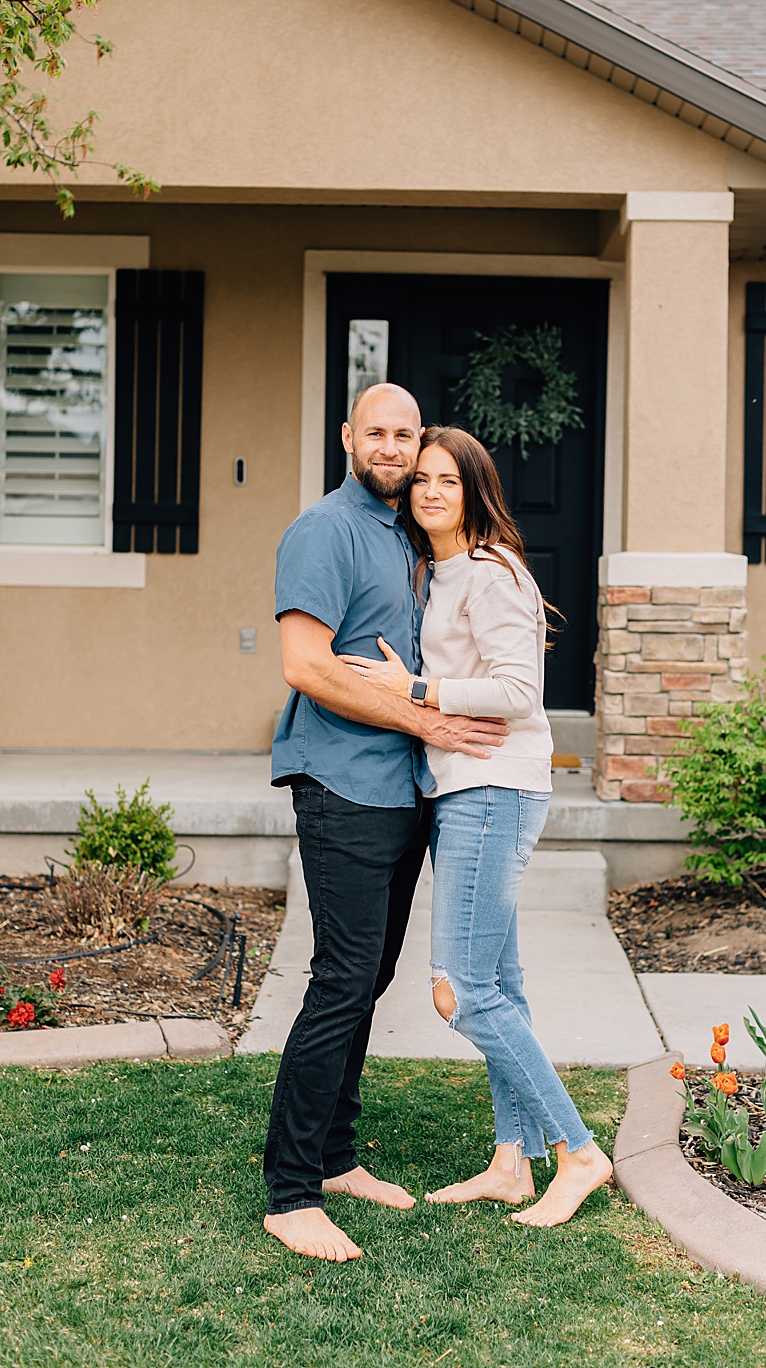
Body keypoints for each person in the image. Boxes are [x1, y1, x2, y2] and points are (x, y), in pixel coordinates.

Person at [342, 425, 612, 1227]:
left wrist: (416, 690)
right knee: (504, 989)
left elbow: (520, 693)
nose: (428, 490)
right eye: (421, 478)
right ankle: (508, 1162)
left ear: (474, 491)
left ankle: (578, 1152)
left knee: (459, 993)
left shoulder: (492, 573)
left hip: (493, 791)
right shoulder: (447, 571)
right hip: (469, 791)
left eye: (447, 481)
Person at [263, 384, 509, 1263]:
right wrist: (426, 723)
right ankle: (291, 1193)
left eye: (406, 434)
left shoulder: (405, 533)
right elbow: (305, 664)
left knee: (365, 982)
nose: (394, 447)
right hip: (341, 787)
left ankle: (334, 1159)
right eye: (378, 432)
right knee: (340, 981)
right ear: (348, 437)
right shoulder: (323, 530)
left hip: (402, 792)